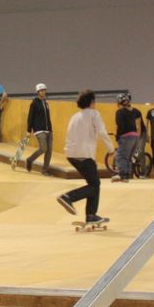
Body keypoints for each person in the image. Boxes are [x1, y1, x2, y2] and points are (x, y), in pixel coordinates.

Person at [58, 90, 115, 227]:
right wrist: (111, 149)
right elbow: (102, 131)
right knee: (95, 185)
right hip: (85, 154)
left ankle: (91, 215)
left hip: (71, 154)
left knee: (93, 183)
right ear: (91, 102)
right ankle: (69, 197)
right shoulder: (94, 114)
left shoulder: (75, 116)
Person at [112, 93, 145, 181]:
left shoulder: (120, 112)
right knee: (129, 157)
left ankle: (122, 174)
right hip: (135, 136)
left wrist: (117, 136)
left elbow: (120, 125)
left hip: (126, 136)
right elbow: (138, 126)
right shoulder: (133, 111)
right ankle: (127, 175)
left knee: (121, 156)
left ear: (119, 102)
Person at [25, 83, 53, 173]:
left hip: (48, 130)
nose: (43, 92)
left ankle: (45, 170)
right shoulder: (34, 103)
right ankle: (29, 160)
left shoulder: (46, 103)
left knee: (49, 150)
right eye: (41, 91)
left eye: (44, 90)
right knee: (43, 148)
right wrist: (29, 130)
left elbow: (48, 117)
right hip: (39, 129)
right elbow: (30, 117)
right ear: (38, 92)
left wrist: (50, 129)